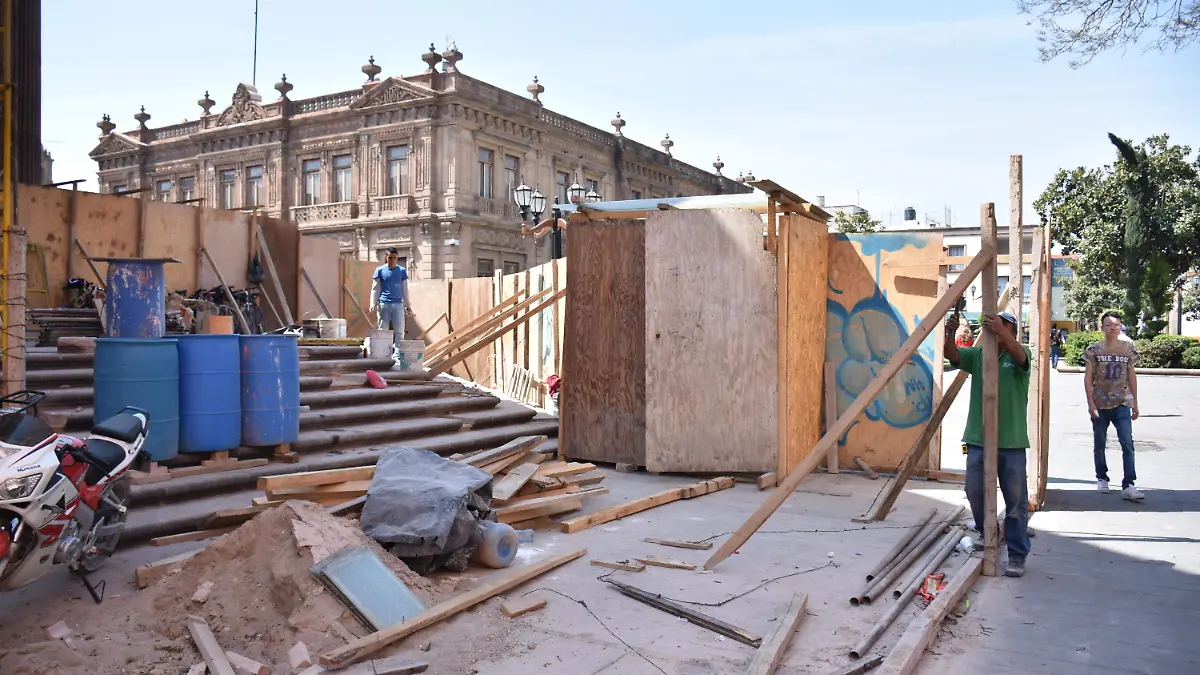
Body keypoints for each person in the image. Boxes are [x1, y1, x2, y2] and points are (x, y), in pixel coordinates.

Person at [944, 310, 1032, 578]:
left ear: (1012, 331)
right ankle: (986, 531)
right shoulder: (980, 355)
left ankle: (1017, 554)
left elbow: (1019, 356)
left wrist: (1002, 331)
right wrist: (950, 332)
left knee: (1016, 501)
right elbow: (953, 355)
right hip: (977, 438)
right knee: (974, 489)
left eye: (1003, 327)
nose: (995, 332)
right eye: (993, 328)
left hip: (1011, 440)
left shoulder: (1021, 353)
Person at [1084, 311, 1143, 501]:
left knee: (1127, 442)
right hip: (1100, 402)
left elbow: (1132, 376)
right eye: (1108, 324)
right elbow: (1088, 377)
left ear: (1120, 327)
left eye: (1116, 324)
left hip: (1122, 402)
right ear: (1101, 328)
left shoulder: (1128, 349)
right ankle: (1102, 478)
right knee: (1100, 443)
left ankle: (1129, 483)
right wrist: (1090, 402)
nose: (1112, 327)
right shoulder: (1094, 350)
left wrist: (1135, 402)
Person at [369, 247, 410, 358]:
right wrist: (372, 303)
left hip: (398, 304)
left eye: (394, 258)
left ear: (397, 258)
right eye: (390, 257)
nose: (392, 260)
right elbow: (375, 288)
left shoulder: (401, 271)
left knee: (399, 331)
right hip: (384, 304)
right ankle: (384, 354)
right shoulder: (380, 270)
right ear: (386, 257)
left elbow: (405, 289)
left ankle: (397, 355)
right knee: (383, 331)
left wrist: (408, 305)